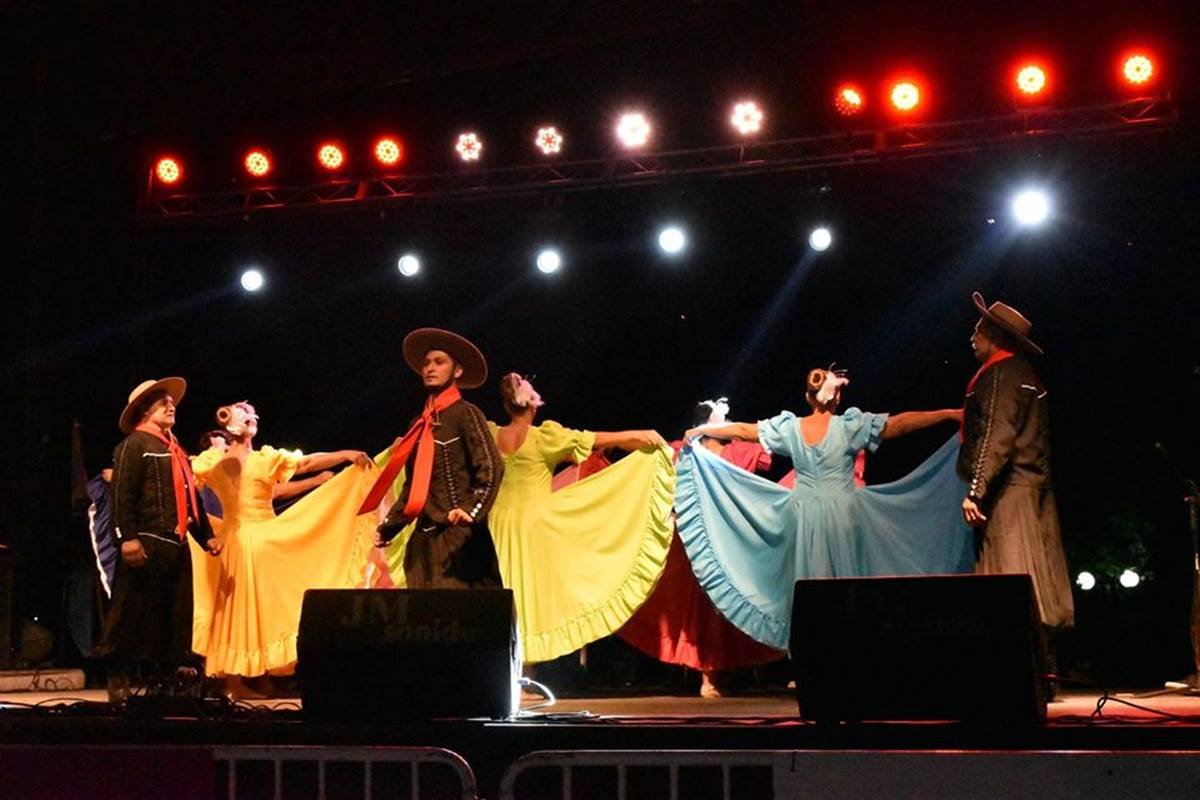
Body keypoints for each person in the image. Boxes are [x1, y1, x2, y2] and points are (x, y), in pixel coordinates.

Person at [675, 367, 972, 649]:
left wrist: (701, 429)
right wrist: (947, 414)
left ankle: (817, 652)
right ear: (837, 397)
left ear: (808, 397)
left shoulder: (792, 428)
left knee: (812, 587)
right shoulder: (848, 427)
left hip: (804, 516)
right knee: (846, 587)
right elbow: (899, 424)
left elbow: (743, 430)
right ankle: (848, 651)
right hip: (843, 514)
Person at [189, 401, 376, 698]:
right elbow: (306, 463)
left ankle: (258, 675)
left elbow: (305, 463)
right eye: (246, 414)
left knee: (259, 607)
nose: (250, 417)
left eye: (251, 414)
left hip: (250, 539)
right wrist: (345, 454)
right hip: (249, 539)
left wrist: (344, 454)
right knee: (247, 609)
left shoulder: (238, 460)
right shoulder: (231, 460)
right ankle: (233, 681)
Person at [487, 372, 673, 663]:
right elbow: (600, 440)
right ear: (532, 404)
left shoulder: (489, 434)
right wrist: (642, 436)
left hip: (495, 523)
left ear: (506, 405)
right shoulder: (544, 437)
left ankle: (505, 668)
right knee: (531, 595)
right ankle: (524, 669)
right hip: (534, 524)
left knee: (504, 589)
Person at [618, 398, 785, 698]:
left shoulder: (737, 451)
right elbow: (653, 458)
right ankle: (703, 674)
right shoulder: (684, 451)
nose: (727, 425)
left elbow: (766, 451)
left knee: (728, 603)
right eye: (722, 420)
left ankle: (723, 672)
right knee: (693, 607)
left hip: (730, 539)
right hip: (691, 538)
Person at [93, 377, 221, 702]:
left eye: (171, 402)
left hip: (175, 543)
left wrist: (206, 536)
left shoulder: (175, 451)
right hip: (146, 541)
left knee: (175, 615)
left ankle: (166, 680)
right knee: (131, 611)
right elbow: (121, 494)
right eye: (162, 402)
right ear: (143, 410)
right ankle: (117, 673)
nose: (170, 406)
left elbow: (190, 498)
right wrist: (126, 538)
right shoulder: (134, 445)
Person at [958, 292, 1073, 631]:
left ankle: (1020, 656)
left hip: (1011, 492)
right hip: (1027, 489)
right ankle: (1033, 656)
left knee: (1011, 578)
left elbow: (996, 434)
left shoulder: (1002, 373)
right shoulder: (1023, 373)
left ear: (995, 335)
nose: (972, 336)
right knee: (1028, 577)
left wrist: (976, 490)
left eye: (978, 330)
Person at [365, 328, 505, 589]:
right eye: (427, 363)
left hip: (458, 539)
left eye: (439, 362)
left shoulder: (465, 414)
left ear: (457, 371)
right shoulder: (419, 424)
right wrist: (389, 526)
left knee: (459, 608)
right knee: (422, 609)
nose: (430, 368)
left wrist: (470, 509)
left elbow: (491, 467)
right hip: (423, 542)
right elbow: (413, 487)